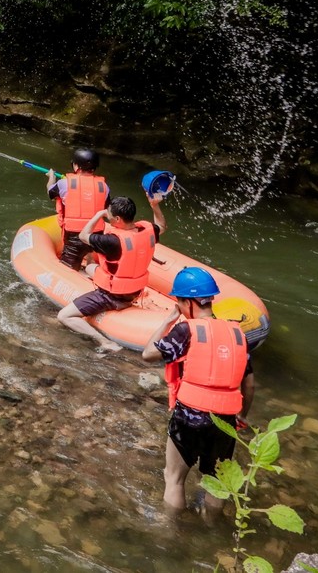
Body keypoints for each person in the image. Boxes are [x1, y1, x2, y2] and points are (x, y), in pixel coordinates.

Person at [141, 267, 255, 510]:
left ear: (187, 302)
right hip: (225, 421)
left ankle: (171, 534)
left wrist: (169, 319)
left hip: (189, 418)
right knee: (217, 481)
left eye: (179, 302)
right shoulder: (238, 334)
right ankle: (212, 528)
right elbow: (249, 383)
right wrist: (242, 416)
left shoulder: (186, 330)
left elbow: (148, 354)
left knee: (174, 480)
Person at [56, 190, 168, 353]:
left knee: (64, 316)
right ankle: (92, 274)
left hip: (110, 296)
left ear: (117, 219)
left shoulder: (112, 241)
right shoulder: (148, 230)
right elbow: (162, 226)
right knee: (89, 268)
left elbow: (83, 235)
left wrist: (97, 215)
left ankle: (104, 342)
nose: (107, 216)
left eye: (109, 215)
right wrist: (155, 206)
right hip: (135, 290)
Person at [46, 147, 111, 270]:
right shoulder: (104, 186)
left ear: (76, 166)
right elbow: (106, 206)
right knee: (90, 249)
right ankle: (91, 260)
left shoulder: (64, 184)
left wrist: (51, 177)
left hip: (74, 237)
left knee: (68, 269)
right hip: (95, 236)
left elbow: (51, 193)